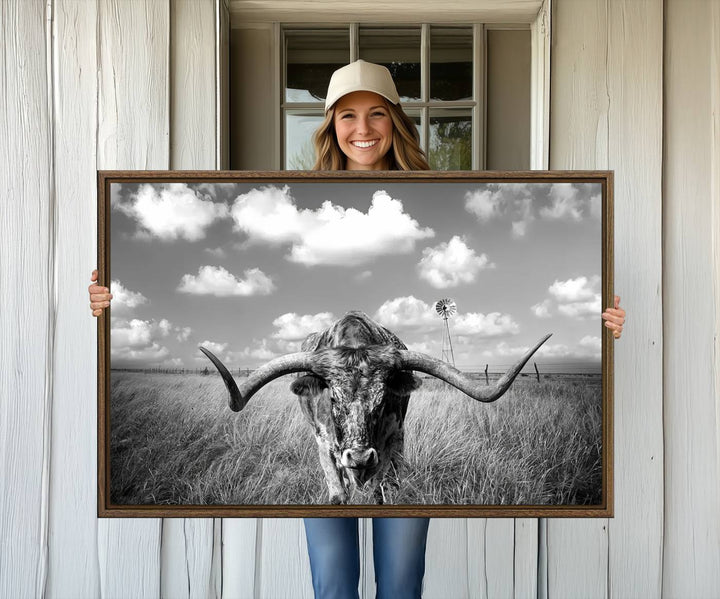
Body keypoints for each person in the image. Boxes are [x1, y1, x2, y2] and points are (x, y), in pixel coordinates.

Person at [88, 60, 626, 599]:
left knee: (400, 584)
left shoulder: (441, 197)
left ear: (395, 121)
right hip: (331, 441)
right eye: (347, 115)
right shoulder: (288, 198)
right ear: (330, 126)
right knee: (334, 584)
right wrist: (110, 299)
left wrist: (600, 321)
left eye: (376, 115)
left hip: (382, 439)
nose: (362, 129)